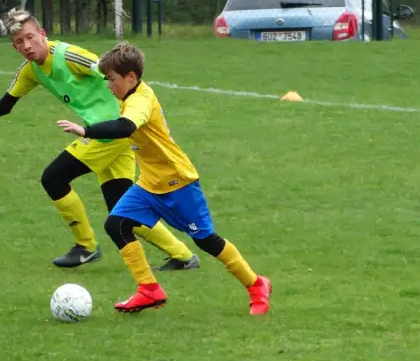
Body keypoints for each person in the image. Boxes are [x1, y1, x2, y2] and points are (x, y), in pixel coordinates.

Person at [0, 8, 198, 271]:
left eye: (30, 37)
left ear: (42, 34)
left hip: (113, 131)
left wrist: (138, 107)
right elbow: (6, 104)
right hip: (110, 133)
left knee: (53, 177)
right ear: (14, 47)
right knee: (120, 208)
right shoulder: (30, 71)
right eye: (19, 42)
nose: (27, 46)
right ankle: (182, 255)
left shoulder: (68, 56)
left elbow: (111, 71)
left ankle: (85, 246)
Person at [56, 42, 272, 315]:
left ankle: (256, 285)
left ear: (131, 78)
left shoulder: (141, 100)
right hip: (149, 182)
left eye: (112, 79)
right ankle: (149, 289)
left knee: (206, 240)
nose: (108, 85)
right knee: (116, 224)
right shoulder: (126, 95)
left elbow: (125, 127)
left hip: (177, 182)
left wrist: (86, 131)